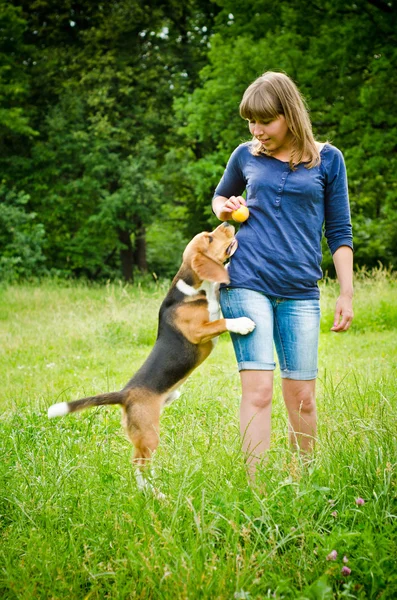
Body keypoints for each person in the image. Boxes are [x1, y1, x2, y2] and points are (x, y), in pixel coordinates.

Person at [212, 71, 354, 478]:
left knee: (303, 397)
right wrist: (224, 208)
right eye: (251, 122)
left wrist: (346, 293)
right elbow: (221, 197)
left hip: (300, 290)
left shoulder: (329, 159)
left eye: (266, 121)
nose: (257, 131)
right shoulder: (245, 155)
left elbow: (340, 231)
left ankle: (301, 484)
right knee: (257, 392)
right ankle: (254, 490)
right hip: (247, 280)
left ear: (290, 115)